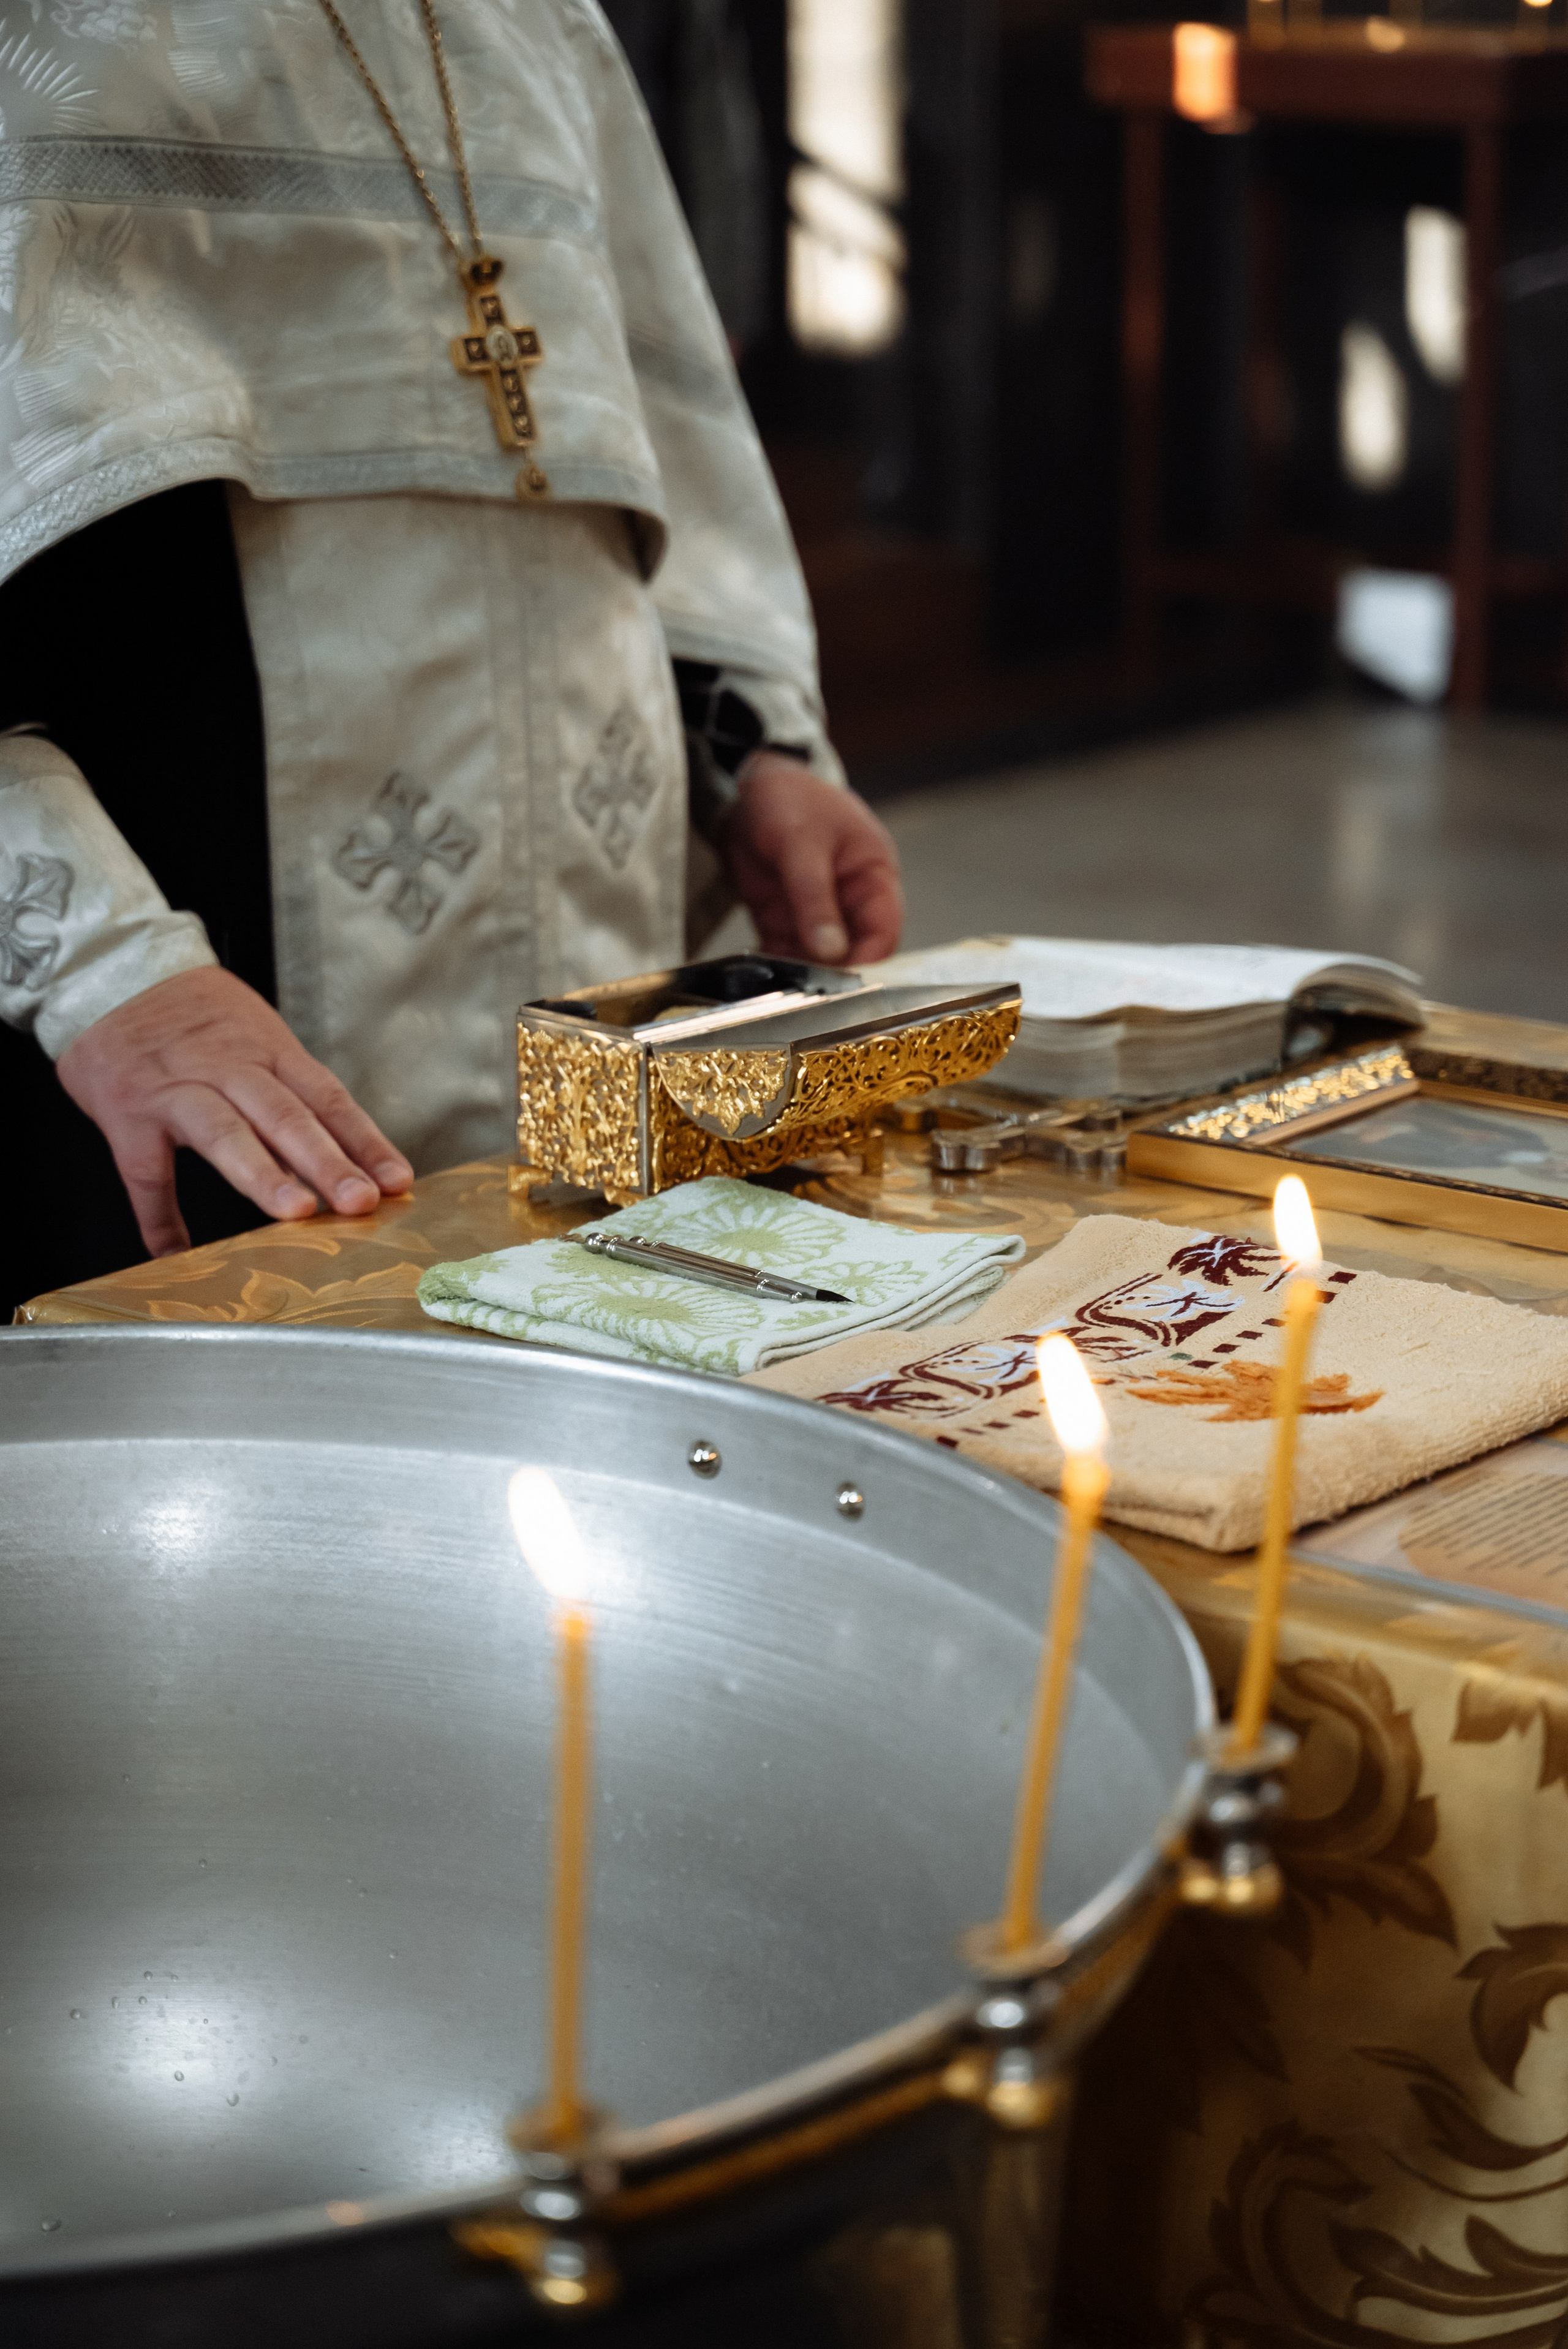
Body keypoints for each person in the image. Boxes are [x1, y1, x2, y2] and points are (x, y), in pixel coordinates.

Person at [0, 1, 901, 1318]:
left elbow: (658, 420)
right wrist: (93, 958)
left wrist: (746, 746)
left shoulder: (548, 22)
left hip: (584, 928)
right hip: (161, 989)